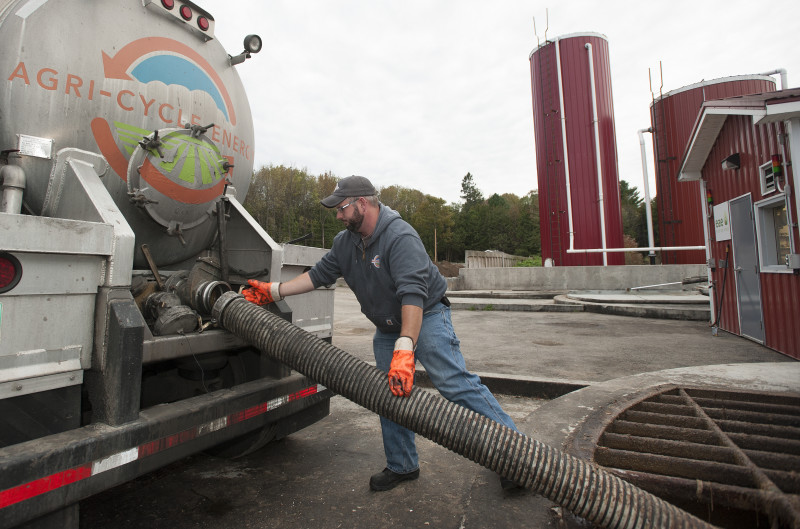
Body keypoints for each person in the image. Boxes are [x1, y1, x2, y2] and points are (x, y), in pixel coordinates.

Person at [243, 175, 520, 492]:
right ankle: (402, 465)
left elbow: (413, 295)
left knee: (454, 383)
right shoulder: (345, 243)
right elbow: (319, 275)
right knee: (390, 392)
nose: (338, 215)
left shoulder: (400, 236)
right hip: (387, 325)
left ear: (362, 203)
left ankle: (514, 456)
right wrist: (274, 291)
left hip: (425, 314)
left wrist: (405, 349)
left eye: (342, 208)